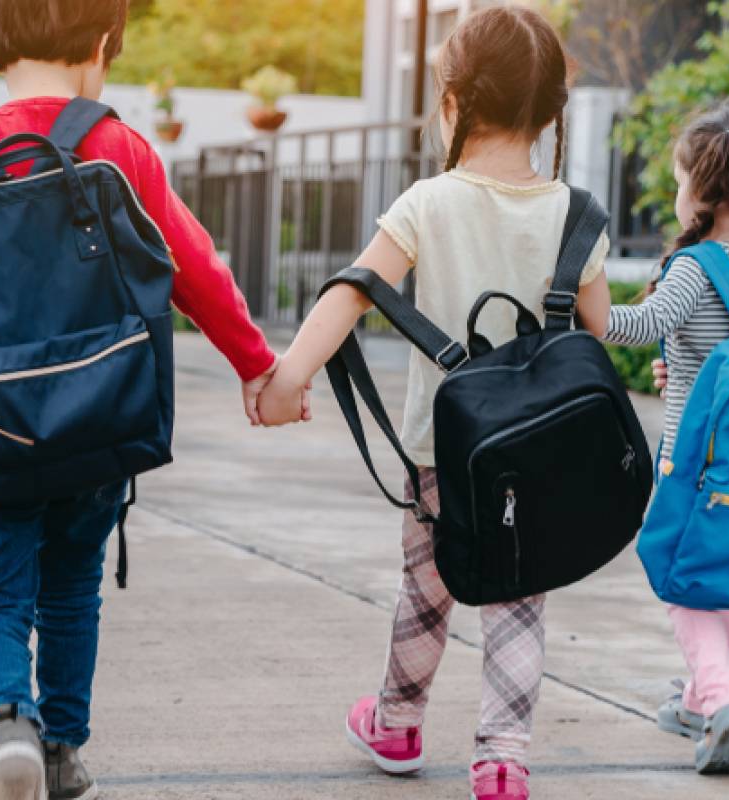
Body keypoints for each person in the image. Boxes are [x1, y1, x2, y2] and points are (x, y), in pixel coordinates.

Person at [0, 1, 275, 796]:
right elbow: (193, 265)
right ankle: (61, 748)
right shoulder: (119, 147)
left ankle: (8, 724)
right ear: (102, 44)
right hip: (102, 420)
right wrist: (256, 364)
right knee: (71, 586)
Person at [255, 8, 607, 800]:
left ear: (451, 103)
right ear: (550, 115)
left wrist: (288, 379)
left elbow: (352, 291)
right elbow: (597, 327)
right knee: (518, 597)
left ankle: (397, 722)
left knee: (426, 589)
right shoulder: (575, 214)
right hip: (535, 455)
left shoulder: (427, 202)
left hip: (440, 452)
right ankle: (502, 759)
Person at [602, 101, 729, 775]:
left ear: (703, 188)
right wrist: (683, 365)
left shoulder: (695, 266)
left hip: (691, 463)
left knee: (679, 578)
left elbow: (637, 326)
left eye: (679, 180)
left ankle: (723, 696)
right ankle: (696, 699)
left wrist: (583, 299)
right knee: (715, 576)